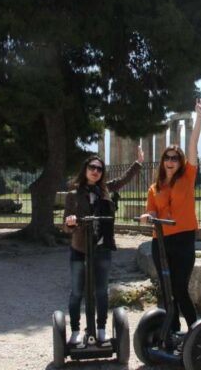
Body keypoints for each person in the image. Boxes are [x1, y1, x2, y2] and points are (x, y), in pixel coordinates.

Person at [63, 147, 144, 347]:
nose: (95, 171)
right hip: (80, 249)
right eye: (92, 167)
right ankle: (74, 330)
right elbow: (65, 225)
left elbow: (123, 180)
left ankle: (100, 329)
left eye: (99, 169)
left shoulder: (105, 191)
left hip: (101, 248)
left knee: (101, 291)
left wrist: (138, 163)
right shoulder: (73, 195)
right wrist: (70, 221)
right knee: (76, 292)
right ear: (85, 170)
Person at [140, 98, 201, 334]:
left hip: (184, 239)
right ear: (163, 162)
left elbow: (193, 143)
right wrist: (147, 217)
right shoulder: (153, 188)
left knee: (180, 287)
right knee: (166, 288)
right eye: (167, 158)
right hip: (161, 241)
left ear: (180, 162)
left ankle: (195, 330)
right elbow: (152, 211)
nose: (171, 161)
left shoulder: (188, 177)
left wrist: (199, 117)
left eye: (175, 158)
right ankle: (173, 330)